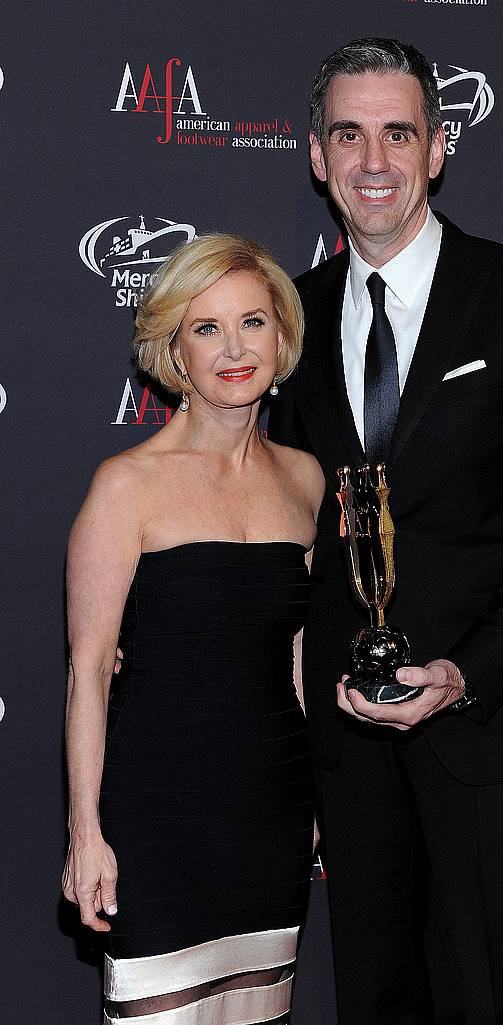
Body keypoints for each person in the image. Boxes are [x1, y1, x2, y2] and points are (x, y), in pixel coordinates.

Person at [267, 37, 503, 1025]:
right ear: (315, 155)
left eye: (396, 133)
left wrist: (465, 671)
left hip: (482, 732)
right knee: (371, 995)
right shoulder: (285, 317)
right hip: (345, 735)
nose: (372, 161)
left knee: (486, 995)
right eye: (348, 134)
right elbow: (278, 524)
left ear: (437, 148)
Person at [61, 234, 324, 1024]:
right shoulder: (126, 486)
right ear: (174, 347)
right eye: (205, 327)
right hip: (156, 820)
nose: (234, 347)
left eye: (252, 322)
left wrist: (316, 804)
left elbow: (299, 658)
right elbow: (87, 673)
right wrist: (86, 834)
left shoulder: (307, 480)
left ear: (282, 336)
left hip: (271, 814)